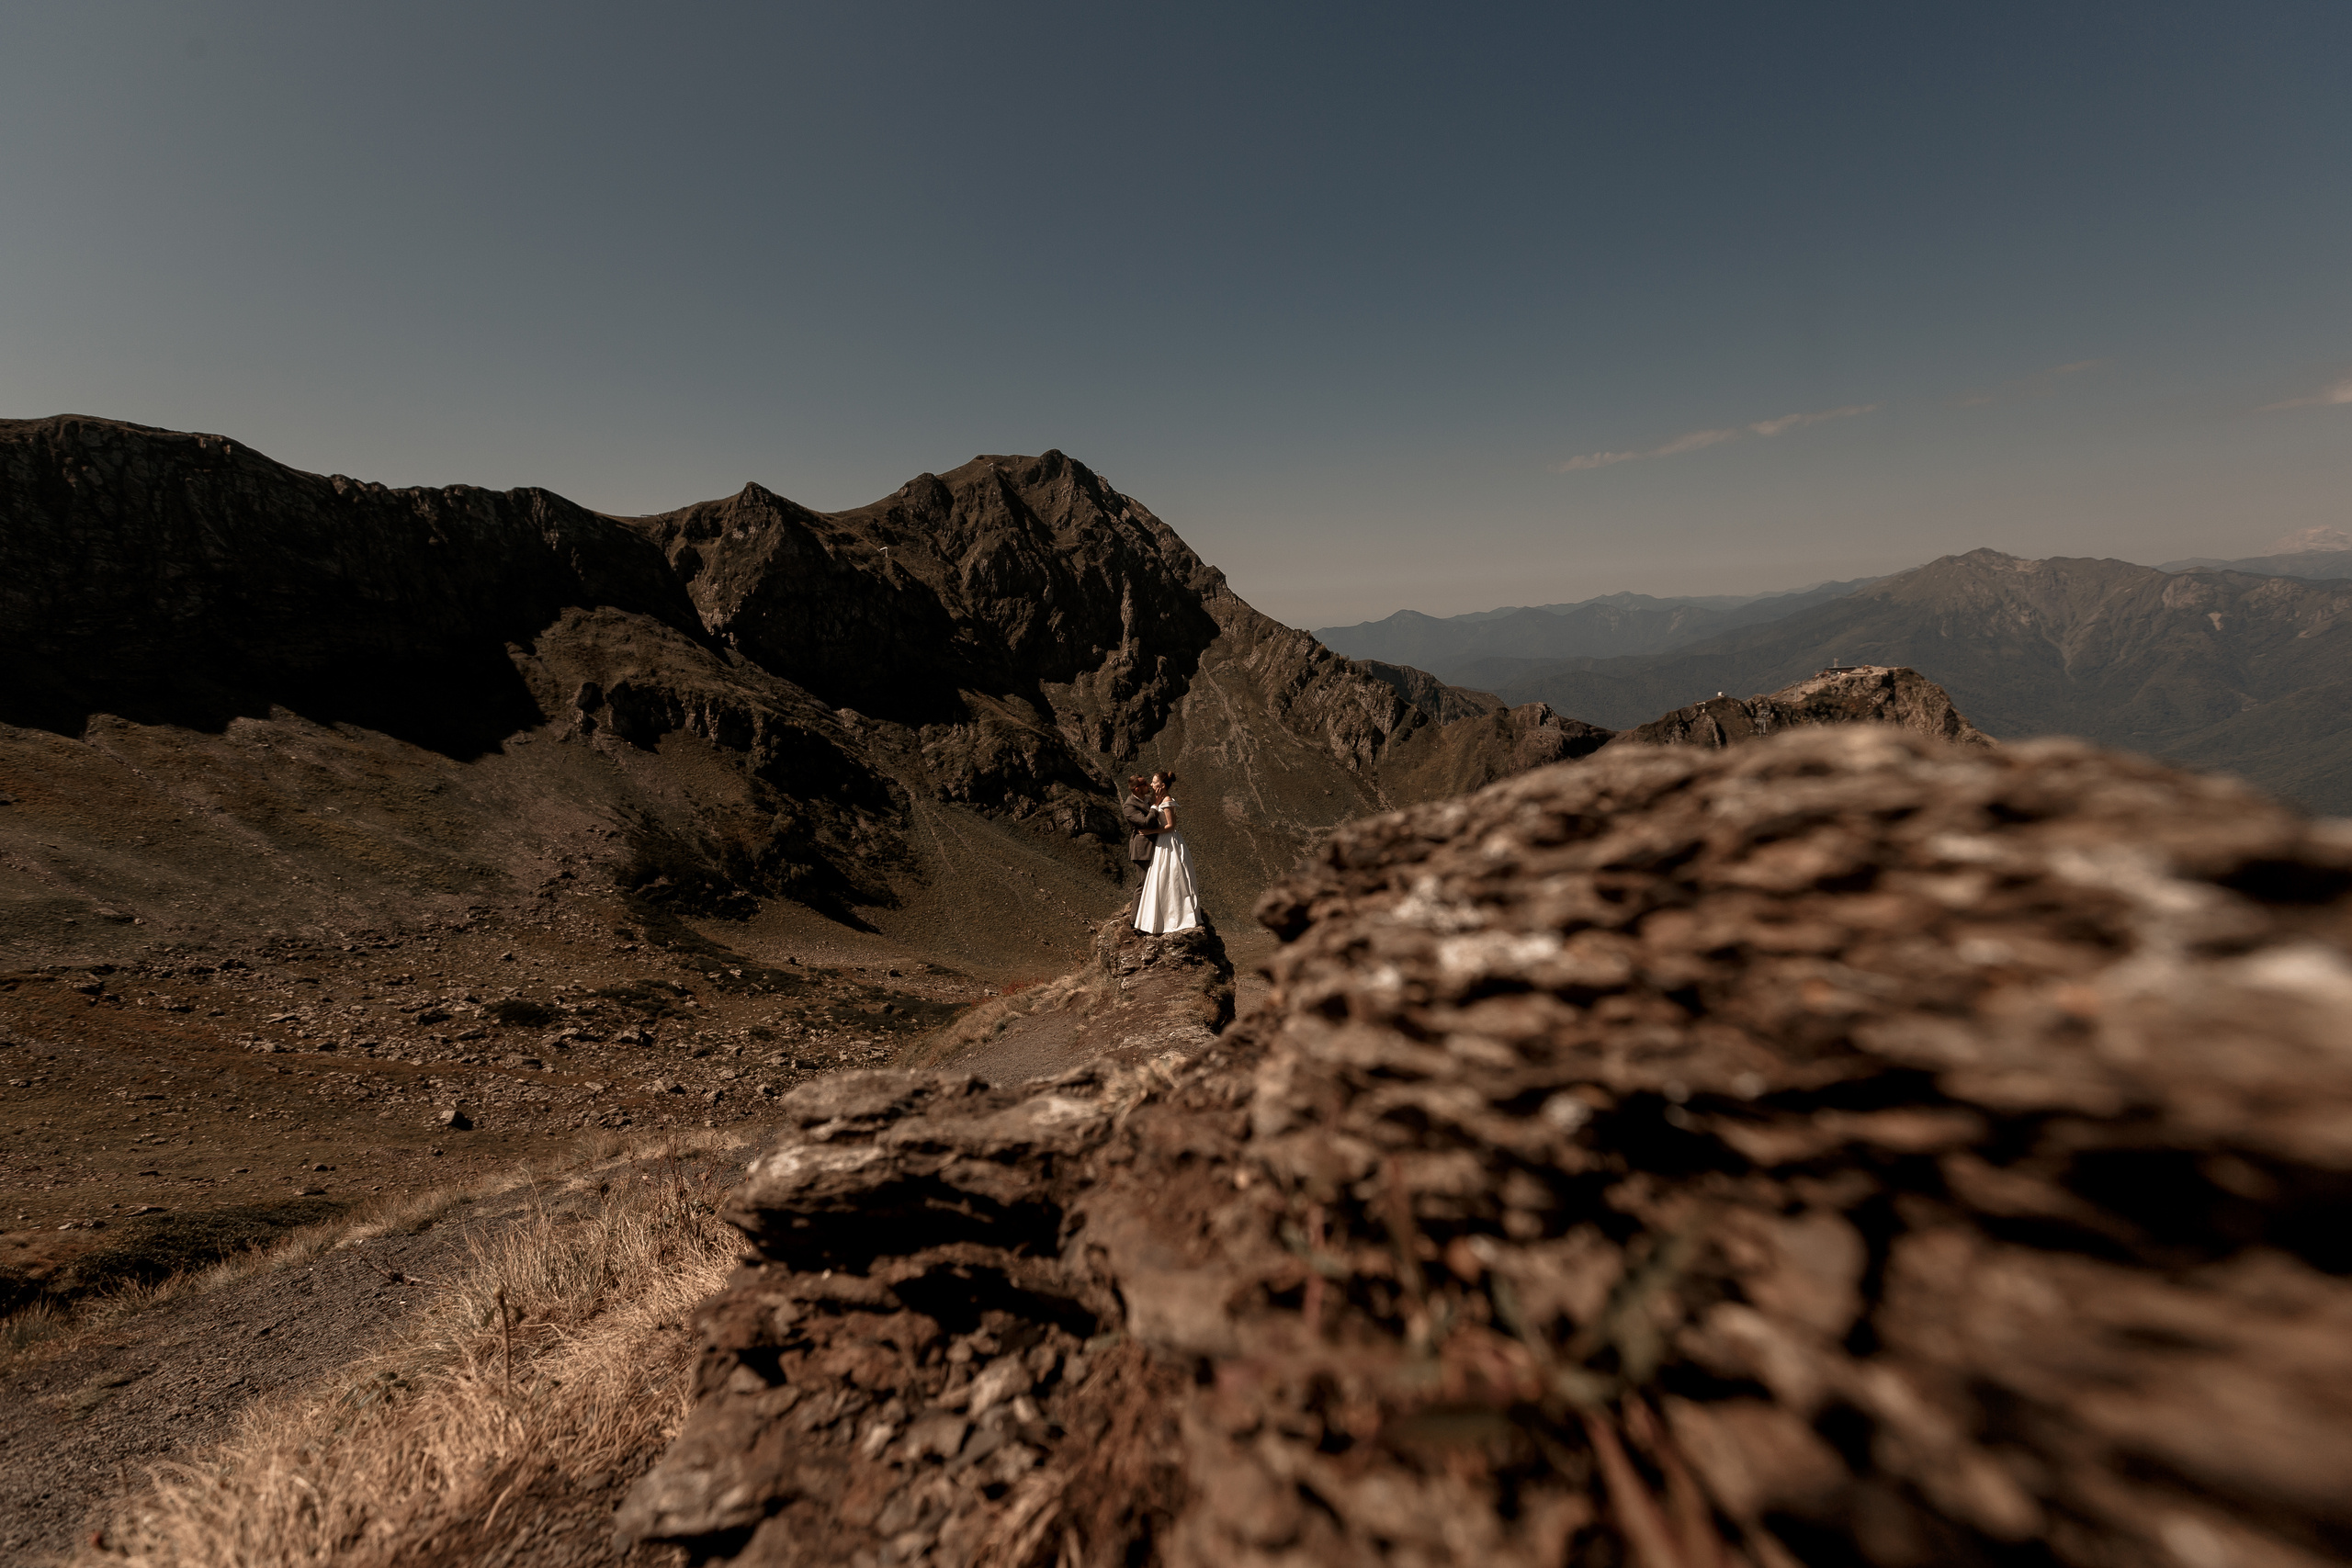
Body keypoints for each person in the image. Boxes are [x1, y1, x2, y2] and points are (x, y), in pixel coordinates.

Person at [1133, 770, 1201, 934]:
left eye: (1154, 783)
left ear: (1162, 786)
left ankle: (1176, 915)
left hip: (1168, 840)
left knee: (1172, 876)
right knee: (1161, 876)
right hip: (1162, 841)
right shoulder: (1159, 799)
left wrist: (1150, 832)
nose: (1151, 785)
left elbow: (1171, 826)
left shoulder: (1167, 801)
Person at [1119, 775, 1160, 877]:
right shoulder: (1129, 807)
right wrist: (1155, 805)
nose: (1148, 785)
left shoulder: (1147, 800)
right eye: (1145, 784)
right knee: (1145, 885)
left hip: (1156, 845)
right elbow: (1146, 823)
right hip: (1143, 851)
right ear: (1137, 789)